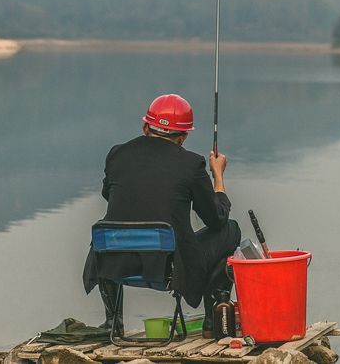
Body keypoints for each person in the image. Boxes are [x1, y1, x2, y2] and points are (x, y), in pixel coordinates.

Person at [82, 93, 241, 339]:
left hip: (117, 262)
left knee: (108, 235)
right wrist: (218, 176)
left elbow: (109, 195)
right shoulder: (192, 164)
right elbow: (216, 219)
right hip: (171, 268)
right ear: (183, 136)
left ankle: (114, 322)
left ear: (145, 126)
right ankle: (212, 321)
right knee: (231, 229)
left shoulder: (117, 155)